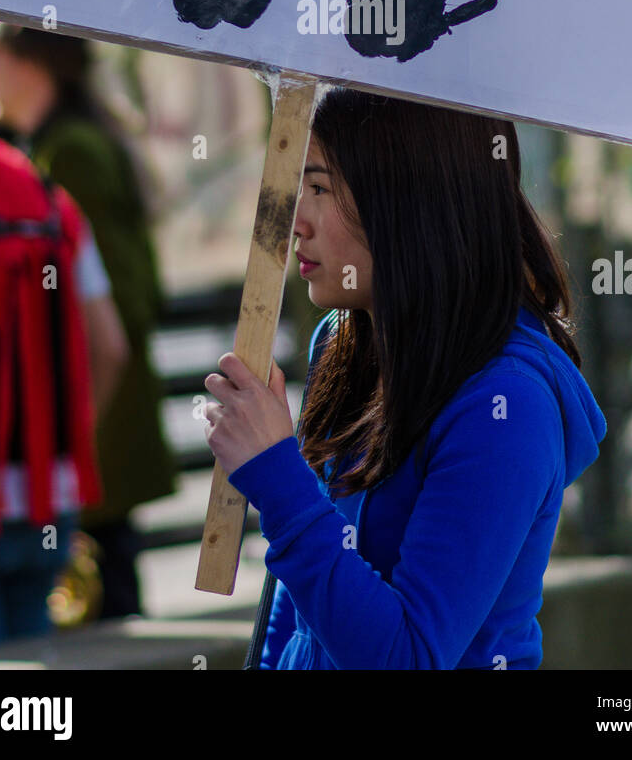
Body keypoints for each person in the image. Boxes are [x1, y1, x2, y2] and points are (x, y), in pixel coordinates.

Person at [200, 87, 607, 670]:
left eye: (318, 187)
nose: (294, 217)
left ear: (408, 195)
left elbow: (409, 656)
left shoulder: (507, 406)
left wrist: (277, 478)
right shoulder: (342, 341)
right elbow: (299, 605)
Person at [0, 11, 128, 650]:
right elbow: (112, 349)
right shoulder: (48, 195)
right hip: (48, 502)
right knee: (31, 703)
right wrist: (54, 454)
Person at [0, 27, 177, 619]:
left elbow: (121, 292)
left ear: (29, 68)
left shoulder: (69, 152)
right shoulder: (66, 141)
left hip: (98, 404)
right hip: (100, 401)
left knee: (105, 597)